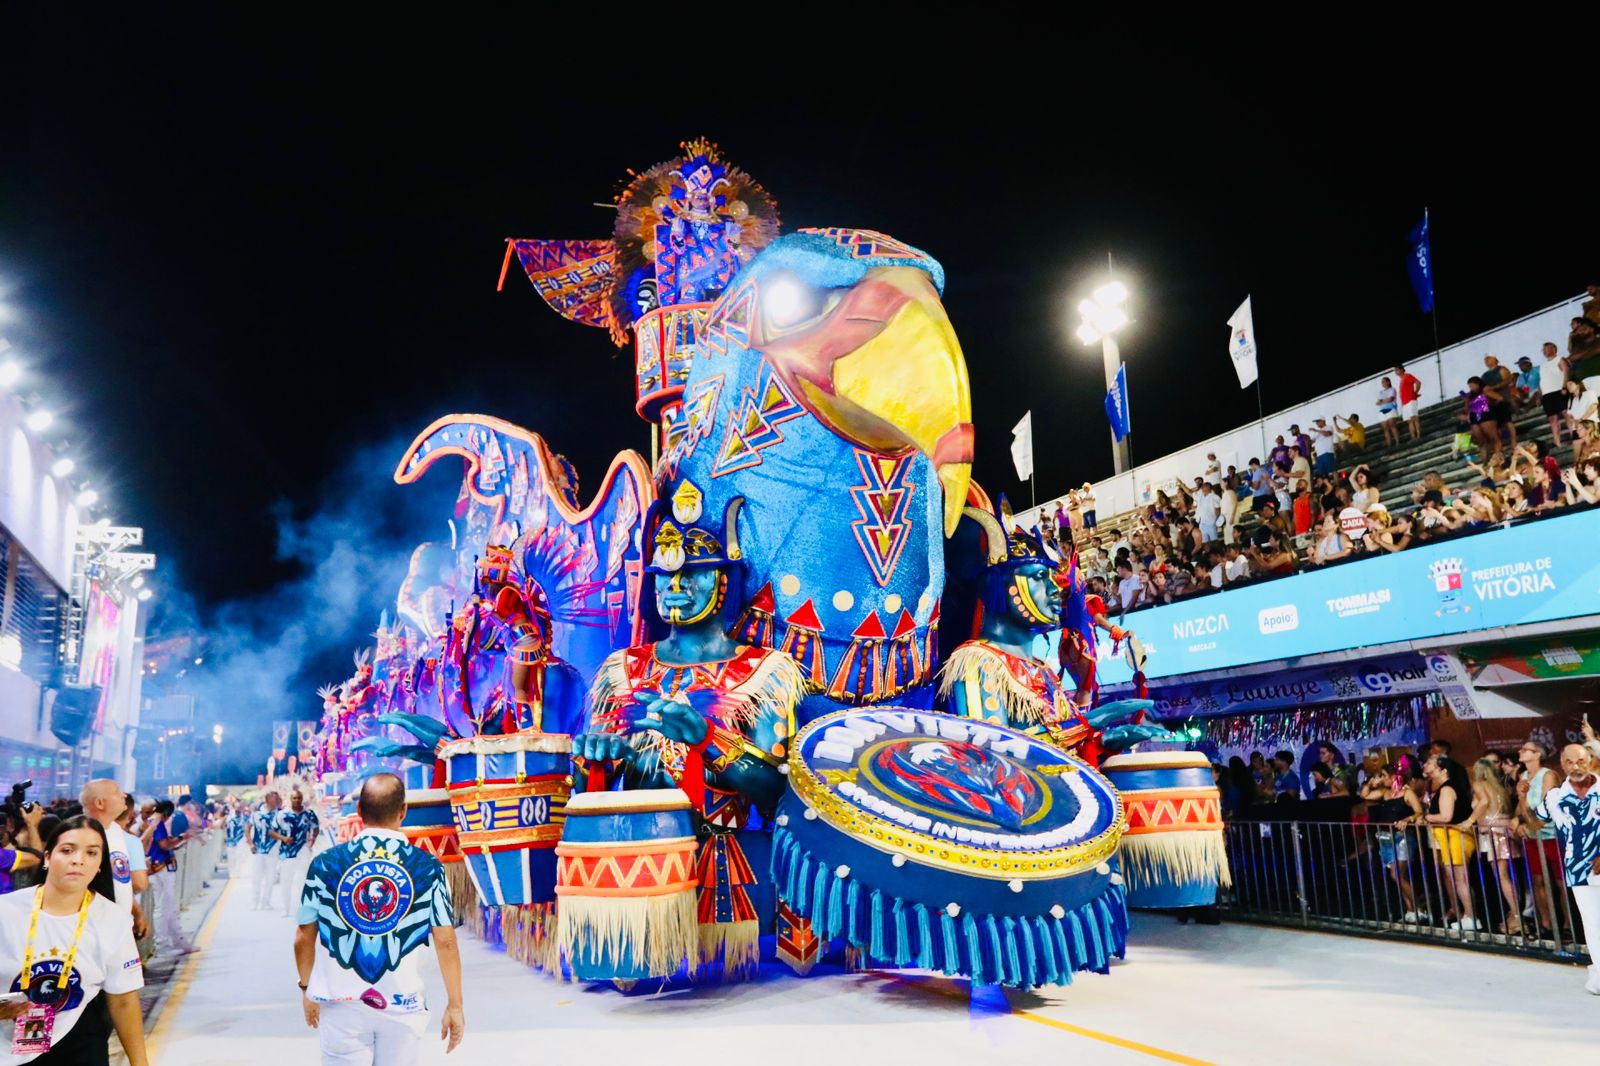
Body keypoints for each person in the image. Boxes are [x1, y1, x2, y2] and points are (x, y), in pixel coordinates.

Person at [296, 774, 464, 1062]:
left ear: (359, 811)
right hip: (402, 1003)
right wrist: (455, 1005)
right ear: (403, 812)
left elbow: (303, 936)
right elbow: (445, 940)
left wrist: (307, 987)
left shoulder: (324, 864)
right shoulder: (427, 867)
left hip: (341, 1005)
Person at [0, 816, 150, 1064]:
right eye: (67, 850)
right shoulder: (7, 911)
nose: (78, 860)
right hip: (7, 1047)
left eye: (92, 853)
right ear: (47, 857)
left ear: (100, 864)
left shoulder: (113, 920)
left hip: (78, 1041)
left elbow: (123, 1000)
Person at [1532, 745, 1600, 993]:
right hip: (1578, 870)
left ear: (1589, 761)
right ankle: (1599, 973)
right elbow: (1535, 821)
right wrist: (1521, 796)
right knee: (1592, 923)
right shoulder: (1555, 797)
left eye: (1580, 761)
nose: (1575, 767)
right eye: (1569, 762)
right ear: (1562, 764)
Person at [78, 781, 147, 942]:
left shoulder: (115, 831)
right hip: (92, 930)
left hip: (118, 927)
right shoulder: (80, 834)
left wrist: (136, 912)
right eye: (117, 792)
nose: (123, 795)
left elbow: (120, 880)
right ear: (100, 803)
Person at [1419, 755, 1479, 931]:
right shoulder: (1445, 788)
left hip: (1456, 836)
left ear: (1443, 770)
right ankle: (1468, 914)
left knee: (1460, 879)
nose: (1426, 764)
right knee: (1458, 878)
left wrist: (1426, 817)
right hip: (1450, 837)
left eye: (1430, 763)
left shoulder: (1447, 789)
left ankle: (1471, 915)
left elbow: (1446, 816)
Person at [1468, 756, 1522, 935]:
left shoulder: (1479, 785)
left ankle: (1516, 916)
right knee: (1508, 875)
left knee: (1502, 876)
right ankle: (1514, 913)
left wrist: (1469, 821)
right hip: (1504, 829)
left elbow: (1483, 803)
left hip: (1494, 832)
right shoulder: (1500, 788)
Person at [145, 800, 197, 957]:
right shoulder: (157, 823)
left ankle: (179, 941)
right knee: (163, 908)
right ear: (167, 813)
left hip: (162, 867)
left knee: (170, 907)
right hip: (160, 868)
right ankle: (161, 946)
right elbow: (164, 845)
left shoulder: (151, 822)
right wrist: (181, 838)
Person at [273, 790, 320, 920]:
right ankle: (285, 908)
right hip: (287, 852)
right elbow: (272, 831)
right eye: (294, 798)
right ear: (290, 799)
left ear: (302, 798)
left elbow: (316, 828)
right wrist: (283, 838)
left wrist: (312, 841)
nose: (297, 800)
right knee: (286, 881)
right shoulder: (282, 814)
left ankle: (301, 907)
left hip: (303, 850)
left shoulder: (309, 814)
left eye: (299, 798)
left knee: (303, 879)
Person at [250, 792, 283, 912]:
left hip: (273, 849)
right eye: (275, 799)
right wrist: (250, 843)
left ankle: (266, 902)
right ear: (267, 800)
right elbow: (248, 827)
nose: (277, 801)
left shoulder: (279, 814)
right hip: (258, 849)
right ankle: (255, 901)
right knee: (256, 877)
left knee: (270, 877)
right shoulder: (257, 814)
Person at [1396, 365, 1423, 441]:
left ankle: (1418, 435)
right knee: (1409, 420)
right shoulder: (1401, 380)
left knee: (1414, 418)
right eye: (1395, 370)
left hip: (1411, 400)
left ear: (1402, 369)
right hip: (1404, 403)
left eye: (1397, 369)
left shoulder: (1408, 376)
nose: (1396, 372)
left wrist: (1415, 392)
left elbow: (1418, 383)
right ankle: (1413, 437)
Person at [224, 800, 250, 881]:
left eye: (240, 808)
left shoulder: (245, 817)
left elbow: (248, 827)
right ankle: (231, 872)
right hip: (230, 840)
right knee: (231, 857)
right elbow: (222, 826)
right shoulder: (229, 817)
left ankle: (237, 872)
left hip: (240, 839)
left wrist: (248, 839)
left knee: (238, 855)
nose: (238, 809)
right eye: (237, 808)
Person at [1376, 376, 1401, 447]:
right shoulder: (1381, 392)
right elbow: (1377, 403)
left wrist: (1382, 401)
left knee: (1392, 426)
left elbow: (1390, 399)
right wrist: (1384, 401)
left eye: (1384, 381)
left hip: (1391, 409)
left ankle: (1397, 442)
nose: (1382, 383)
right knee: (1385, 429)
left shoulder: (1392, 389)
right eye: (1382, 382)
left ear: (1388, 382)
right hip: (1382, 411)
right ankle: (1389, 444)